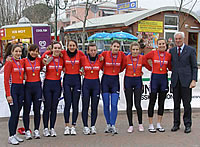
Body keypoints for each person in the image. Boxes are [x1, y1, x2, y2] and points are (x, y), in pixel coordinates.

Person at [170, 32, 198, 133]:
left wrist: (194, 80)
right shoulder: (172, 51)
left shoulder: (191, 50)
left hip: (187, 82)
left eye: (179, 39)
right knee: (176, 104)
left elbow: (194, 67)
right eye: (176, 39)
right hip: (176, 82)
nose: (177, 41)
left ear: (183, 39)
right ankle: (176, 124)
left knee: (187, 104)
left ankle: (187, 124)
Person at [144, 38, 171, 133]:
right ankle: (151, 124)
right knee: (152, 101)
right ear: (157, 45)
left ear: (165, 45)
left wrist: (168, 68)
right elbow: (144, 59)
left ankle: (159, 124)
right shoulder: (153, 53)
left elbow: (170, 66)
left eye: (163, 44)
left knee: (161, 102)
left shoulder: (168, 55)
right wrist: (150, 68)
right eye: (160, 44)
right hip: (154, 79)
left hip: (163, 78)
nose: (162, 45)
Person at [124, 42, 152, 133]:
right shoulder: (126, 58)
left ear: (139, 50)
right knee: (129, 105)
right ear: (130, 50)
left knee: (138, 104)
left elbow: (149, 67)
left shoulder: (142, 58)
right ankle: (130, 125)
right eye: (133, 49)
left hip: (138, 81)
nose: (135, 51)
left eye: (137, 49)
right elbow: (120, 68)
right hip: (128, 81)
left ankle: (140, 124)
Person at [101, 40, 126, 134]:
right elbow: (100, 64)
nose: (116, 48)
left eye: (117, 47)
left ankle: (113, 125)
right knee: (106, 104)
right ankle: (108, 124)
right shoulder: (104, 53)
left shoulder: (122, 55)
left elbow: (123, 65)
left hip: (115, 80)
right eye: (114, 46)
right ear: (111, 46)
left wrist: (118, 71)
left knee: (114, 104)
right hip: (105, 81)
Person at [62, 40, 85, 135]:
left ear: (76, 46)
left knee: (75, 104)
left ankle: (73, 126)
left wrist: (82, 70)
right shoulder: (63, 53)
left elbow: (88, 61)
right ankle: (66, 126)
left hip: (76, 79)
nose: (71, 47)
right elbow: (49, 52)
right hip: (67, 79)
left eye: (73, 45)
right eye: (70, 45)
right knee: (67, 103)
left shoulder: (80, 54)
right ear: (67, 46)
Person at [41, 41, 64, 137]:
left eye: (59, 48)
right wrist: (47, 54)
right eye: (55, 48)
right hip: (48, 84)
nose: (57, 50)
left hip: (57, 84)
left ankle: (52, 128)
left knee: (54, 107)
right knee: (47, 107)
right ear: (52, 49)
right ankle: (45, 128)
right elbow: (41, 63)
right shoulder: (47, 57)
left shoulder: (62, 59)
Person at [80, 43, 103, 135]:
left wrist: (100, 56)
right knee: (85, 106)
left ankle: (93, 126)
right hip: (86, 84)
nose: (93, 52)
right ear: (88, 51)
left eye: (94, 50)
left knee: (94, 106)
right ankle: (85, 126)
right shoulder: (83, 59)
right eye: (91, 50)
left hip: (96, 84)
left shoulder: (100, 59)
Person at [4, 45, 24, 145]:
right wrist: (8, 94)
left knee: (17, 113)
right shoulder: (9, 63)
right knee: (14, 113)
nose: (18, 53)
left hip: (20, 89)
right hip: (13, 90)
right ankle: (11, 136)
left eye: (20, 52)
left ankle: (14, 133)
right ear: (12, 52)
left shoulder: (21, 62)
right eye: (16, 51)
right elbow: (6, 80)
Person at [23, 44, 43, 140]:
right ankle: (27, 130)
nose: (34, 53)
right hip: (28, 87)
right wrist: (10, 58)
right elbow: (14, 62)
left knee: (37, 110)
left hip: (37, 87)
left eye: (36, 51)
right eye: (32, 51)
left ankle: (36, 130)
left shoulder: (39, 61)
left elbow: (49, 57)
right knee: (26, 110)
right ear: (29, 51)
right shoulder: (24, 61)